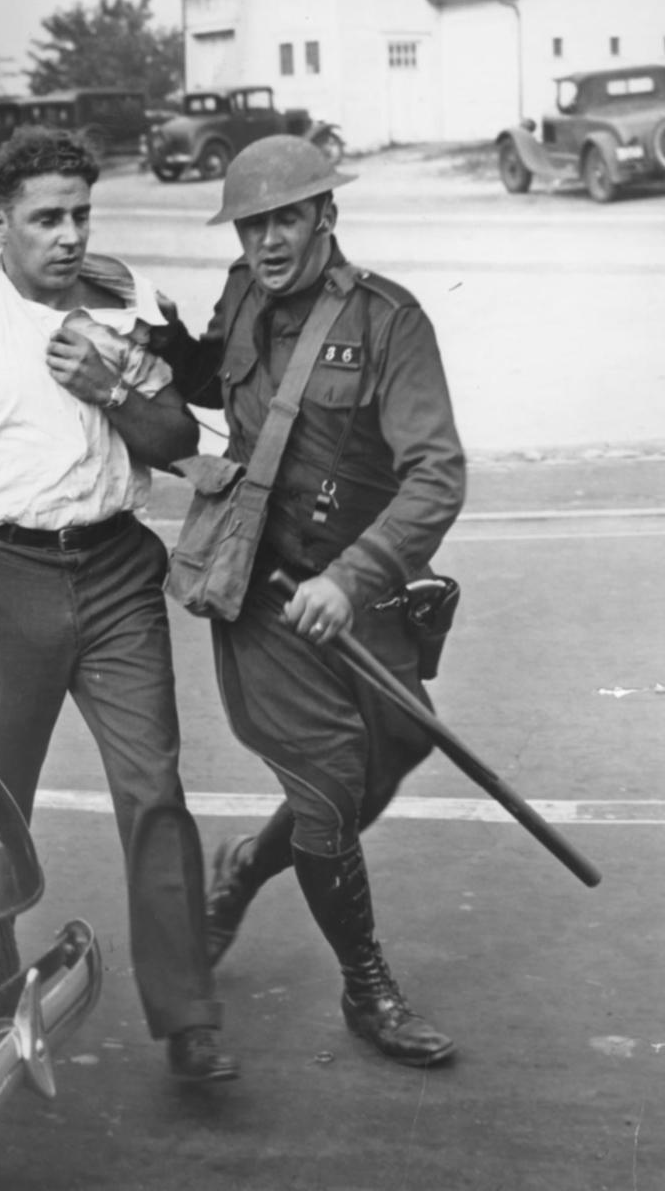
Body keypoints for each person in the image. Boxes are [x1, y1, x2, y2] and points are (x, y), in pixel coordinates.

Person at [0, 127, 238, 1084]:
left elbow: (177, 444)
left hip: (116, 573)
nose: (68, 236)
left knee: (155, 794)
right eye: (45, 218)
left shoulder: (128, 308)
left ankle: (189, 1018)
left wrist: (116, 382)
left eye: (81, 214)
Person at [155, 135, 467, 1067]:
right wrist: (170, 345)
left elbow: (436, 476)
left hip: (354, 585)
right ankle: (366, 985)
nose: (267, 243)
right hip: (258, 585)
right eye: (252, 225)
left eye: (285, 218)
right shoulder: (244, 290)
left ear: (326, 215)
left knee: (391, 754)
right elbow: (223, 379)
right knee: (331, 780)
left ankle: (249, 867)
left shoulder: (390, 321)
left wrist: (352, 579)